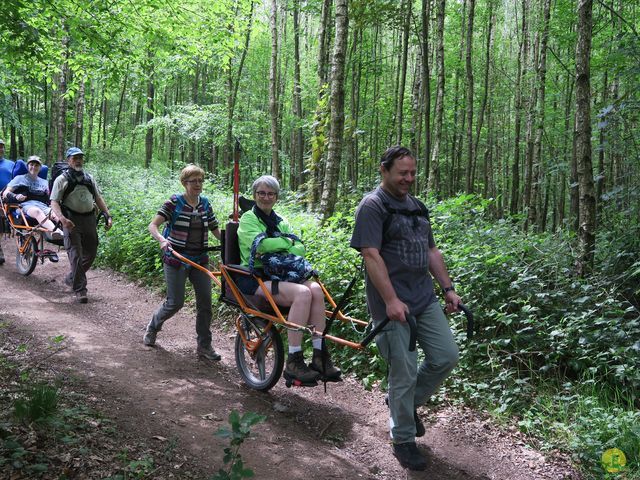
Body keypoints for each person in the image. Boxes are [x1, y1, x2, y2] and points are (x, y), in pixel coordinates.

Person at [350, 146, 461, 471]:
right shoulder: (372, 206)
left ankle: (405, 405)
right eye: (402, 173)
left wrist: (448, 289)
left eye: (412, 173)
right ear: (384, 170)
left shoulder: (417, 207)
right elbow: (371, 255)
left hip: (423, 299)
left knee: (446, 356)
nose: (408, 179)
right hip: (392, 305)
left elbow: (431, 252)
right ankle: (402, 439)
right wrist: (390, 300)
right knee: (404, 371)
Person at [236, 175, 341, 384]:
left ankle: (320, 355)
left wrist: (277, 243)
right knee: (302, 293)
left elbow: (299, 248)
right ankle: (294, 360)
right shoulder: (248, 219)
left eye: (270, 194)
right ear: (255, 195)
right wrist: (285, 243)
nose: (266, 197)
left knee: (316, 290)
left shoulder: (281, 221)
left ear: (276, 197)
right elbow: (262, 247)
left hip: (283, 274)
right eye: (261, 193)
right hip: (256, 278)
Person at [143, 164, 223, 362]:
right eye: (193, 181)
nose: (197, 184)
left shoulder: (205, 204)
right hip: (176, 259)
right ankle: (153, 327)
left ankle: (204, 345)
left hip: (200, 259)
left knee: (205, 303)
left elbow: (215, 229)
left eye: (200, 181)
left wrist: (231, 244)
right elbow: (153, 225)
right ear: (184, 183)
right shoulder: (174, 202)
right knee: (175, 302)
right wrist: (162, 240)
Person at [50, 147, 113, 304]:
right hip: (71, 221)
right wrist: (62, 219)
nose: (78, 160)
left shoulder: (89, 178)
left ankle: (72, 277)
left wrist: (107, 215)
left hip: (89, 219)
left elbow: (98, 198)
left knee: (91, 252)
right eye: (74, 157)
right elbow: (54, 202)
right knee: (75, 254)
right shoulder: (62, 179)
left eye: (80, 157)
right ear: (68, 160)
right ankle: (80, 290)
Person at [3, 155, 64, 241]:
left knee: (56, 214)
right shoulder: (19, 178)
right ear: (27, 166)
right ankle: (55, 231)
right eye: (31, 164)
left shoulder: (45, 182)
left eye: (36, 165)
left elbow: (51, 197)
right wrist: (15, 196)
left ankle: (65, 235)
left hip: (43, 206)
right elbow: (5, 192)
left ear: (40, 168)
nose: (34, 167)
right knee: (37, 211)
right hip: (25, 206)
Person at [0, 139, 16, 265]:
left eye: (1, 147)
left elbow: (17, 180)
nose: (0, 149)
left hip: (6, 198)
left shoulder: (11, 164)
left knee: (2, 227)